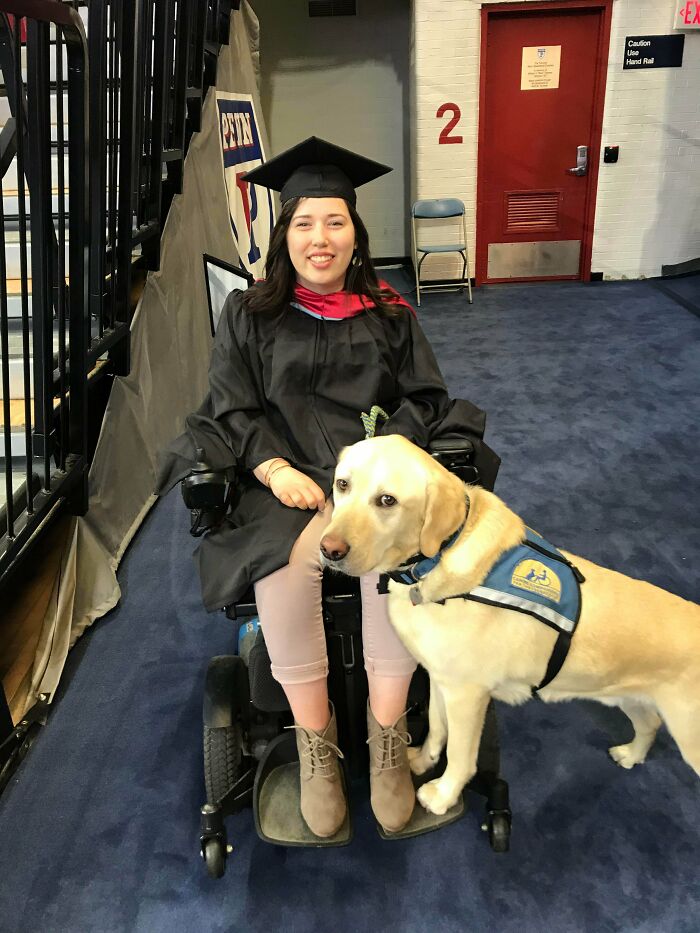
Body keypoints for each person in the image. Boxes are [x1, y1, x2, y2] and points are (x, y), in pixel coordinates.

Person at [158, 137, 499, 839]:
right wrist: (274, 467)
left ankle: (384, 739)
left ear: (355, 232)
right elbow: (231, 407)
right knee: (288, 559)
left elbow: (426, 397)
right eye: (304, 223)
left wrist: (381, 458)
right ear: (284, 234)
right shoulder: (249, 317)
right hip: (283, 486)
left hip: (369, 482)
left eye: (335, 221)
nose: (321, 238)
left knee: (388, 555)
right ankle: (316, 745)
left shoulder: (389, 312)